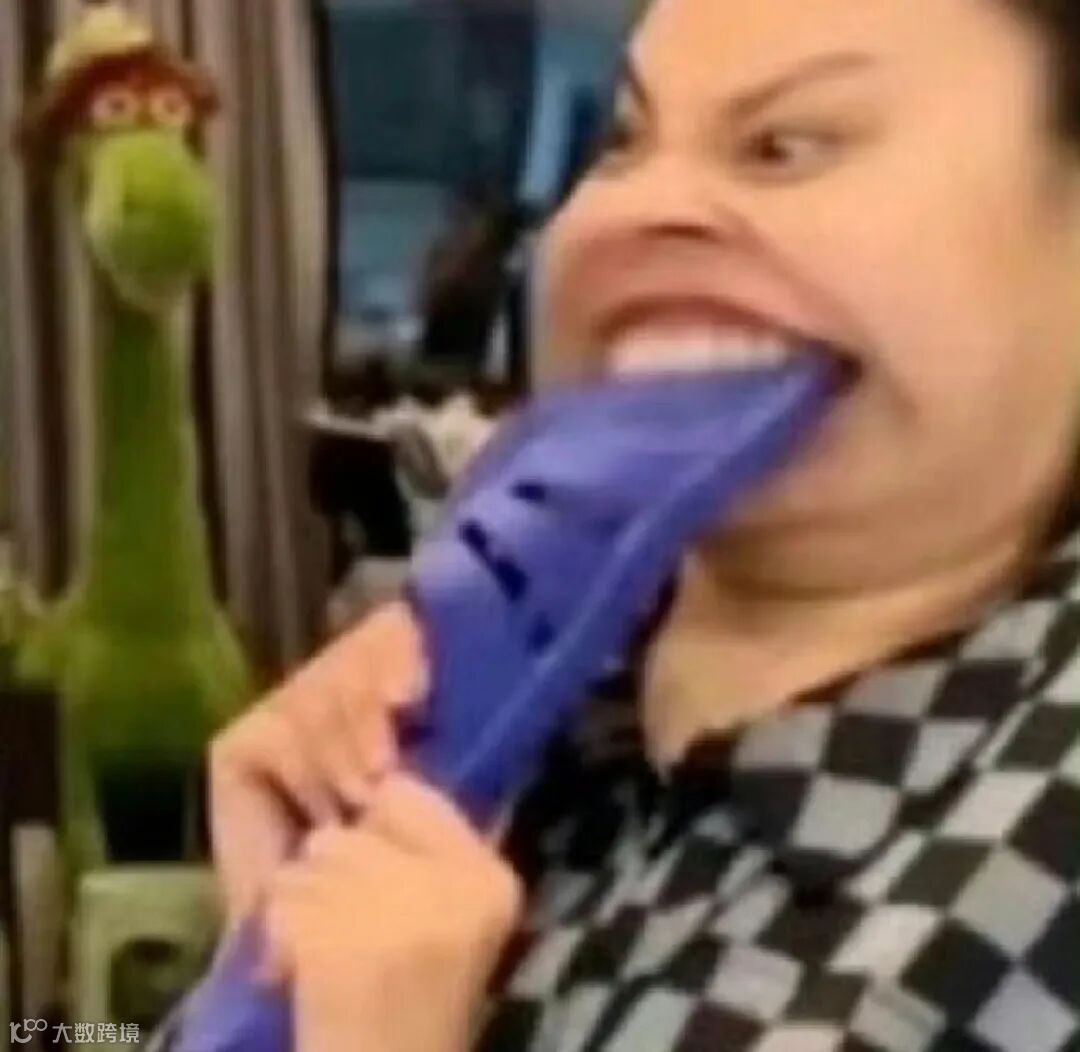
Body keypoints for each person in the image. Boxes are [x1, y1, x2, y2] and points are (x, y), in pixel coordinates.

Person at [203, 0, 1080, 1049]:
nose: (634, 209)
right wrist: (257, 963)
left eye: (785, 145)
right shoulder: (499, 667)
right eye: (623, 142)